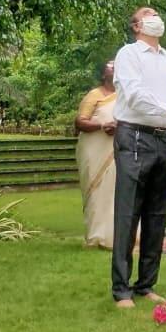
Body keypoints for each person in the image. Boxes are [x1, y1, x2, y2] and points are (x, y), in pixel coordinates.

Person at [110, 6, 166, 308]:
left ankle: (146, 284)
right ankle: (121, 289)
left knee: (157, 214)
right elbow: (134, 94)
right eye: (147, 13)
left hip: (165, 138)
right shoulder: (129, 55)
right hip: (136, 135)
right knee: (129, 212)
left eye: (156, 13)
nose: (155, 17)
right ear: (136, 25)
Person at [75, 60, 117, 249]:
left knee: (114, 193)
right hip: (94, 150)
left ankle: (114, 237)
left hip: (117, 150)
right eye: (110, 65)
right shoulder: (94, 95)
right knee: (96, 191)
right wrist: (102, 126)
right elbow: (80, 122)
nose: (115, 67)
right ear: (103, 74)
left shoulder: (125, 96)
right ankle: (95, 236)